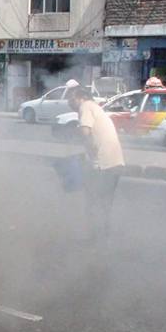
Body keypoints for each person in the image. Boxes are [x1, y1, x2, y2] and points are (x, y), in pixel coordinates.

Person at [66, 82, 125, 242]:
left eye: (71, 98)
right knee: (105, 202)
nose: (69, 102)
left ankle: (93, 237)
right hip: (115, 162)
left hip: (102, 164)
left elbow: (85, 131)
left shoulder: (85, 106)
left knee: (92, 201)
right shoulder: (96, 108)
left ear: (80, 97)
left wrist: (85, 148)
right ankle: (105, 235)